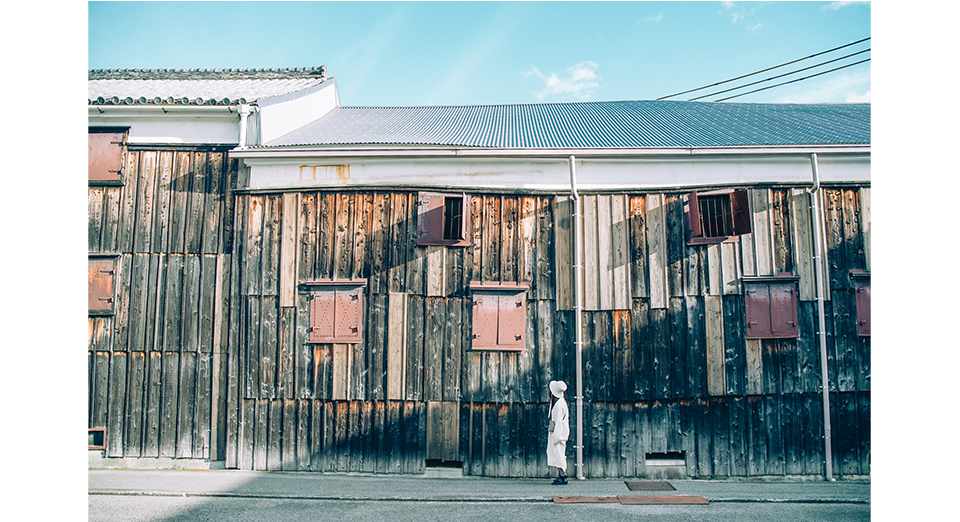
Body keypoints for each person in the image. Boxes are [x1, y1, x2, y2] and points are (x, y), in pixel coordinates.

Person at [547, 380, 569, 485]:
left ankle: (562, 475)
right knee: (558, 454)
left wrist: (557, 436)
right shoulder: (561, 402)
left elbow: (559, 422)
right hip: (559, 433)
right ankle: (561, 474)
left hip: (558, 434)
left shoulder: (559, 405)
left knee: (559, 454)